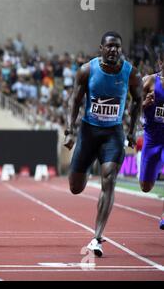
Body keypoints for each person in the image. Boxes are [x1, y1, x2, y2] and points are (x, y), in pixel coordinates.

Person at [64, 31, 142, 256]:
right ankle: (86, 167)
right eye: (109, 46)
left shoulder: (131, 74)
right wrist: (70, 130)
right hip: (89, 132)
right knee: (75, 188)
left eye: (117, 47)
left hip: (113, 134)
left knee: (109, 179)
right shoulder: (87, 70)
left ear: (121, 50)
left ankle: (97, 236)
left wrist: (132, 128)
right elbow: (75, 100)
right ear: (101, 49)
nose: (113, 50)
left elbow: (137, 101)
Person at [139, 51, 164, 230]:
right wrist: (144, 105)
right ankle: (153, 172)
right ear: (160, 62)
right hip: (152, 139)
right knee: (145, 187)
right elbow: (133, 108)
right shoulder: (148, 81)